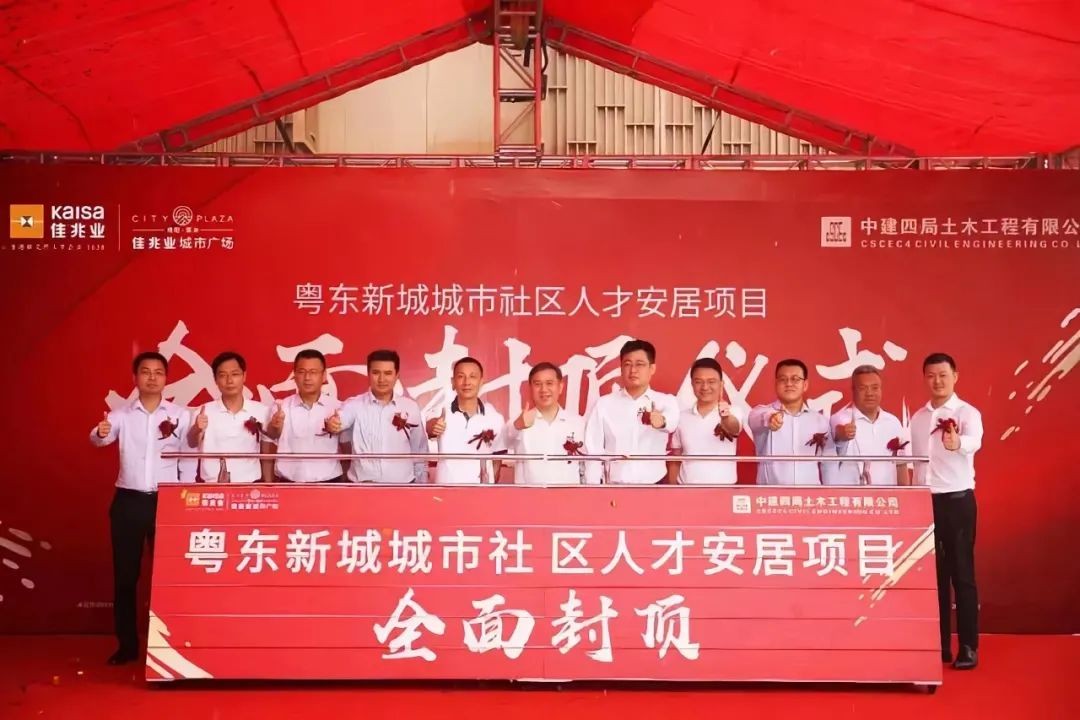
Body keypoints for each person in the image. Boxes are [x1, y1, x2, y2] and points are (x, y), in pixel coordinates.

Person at [89, 352, 190, 665]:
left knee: (170, 577)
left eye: (158, 372)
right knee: (125, 576)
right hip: (129, 502)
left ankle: (171, 646)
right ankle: (128, 645)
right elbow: (99, 438)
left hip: (167, 501)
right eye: (145, 372)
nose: (152, 378)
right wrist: (100, 433)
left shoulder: (181, 415)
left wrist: (183, 498)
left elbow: (189, 455)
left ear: (166, 378)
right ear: (135, 378)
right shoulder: (121, 414)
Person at [910, 352, 983, 670]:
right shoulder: (917, 418)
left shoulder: (967, 413)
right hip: (925, 503)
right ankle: (938, 643)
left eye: (943, 374)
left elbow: (974, 441)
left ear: (955, 376)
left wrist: (957, 443)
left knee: (962, 574)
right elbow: (912, 461)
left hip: (957, 501)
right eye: (931, 375)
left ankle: (968, 645)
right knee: (932, 577)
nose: (937, 381)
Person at [583, 339, 679, 484]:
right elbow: (593, 450)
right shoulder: (604, 404)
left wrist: (661, 421)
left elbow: (672, 422)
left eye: (640, 364)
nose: (633, 370)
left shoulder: (665, 401)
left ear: (652, 368)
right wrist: (593, 487)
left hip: (655, 484)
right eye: (627, 364)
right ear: (621, 368)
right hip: (614, 486)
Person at [327, 349, 428, 483]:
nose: (381, 379)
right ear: (368, 374)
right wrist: (333, 424)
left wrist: (421, 484)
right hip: (362, 487)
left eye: (388, 373)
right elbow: (340, 419)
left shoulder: (410, 407)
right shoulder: (354, 405)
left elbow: (419, 450)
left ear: (397, 375)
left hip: (403, 486)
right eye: (376, 373)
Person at [187, 351, 272, 483]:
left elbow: (267, 450)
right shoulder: (203, 411)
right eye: (223, 375)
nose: (229, 381)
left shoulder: (261, 410)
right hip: (212, 485)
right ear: (215, 379)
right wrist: (197, 429)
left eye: (235, 374)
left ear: (244, 376)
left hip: (250, 484)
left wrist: (268, 484)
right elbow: (191, 443)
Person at [263, 349, 344, 483]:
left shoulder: (337, 408)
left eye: (313, 372)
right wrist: (275, 426)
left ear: (324, 376)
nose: (307, 378)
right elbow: (271, 436)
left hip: (329, 483)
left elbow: (347, 447)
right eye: (302, 372)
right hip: (288, 483)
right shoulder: (281, 407)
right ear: (294, 375)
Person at [748, 358, 832, 485]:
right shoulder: (761, 413)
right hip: (770, 494)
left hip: (810, 494)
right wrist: (770, 419)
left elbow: (829, 462)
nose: (789, 383)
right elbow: (757, 419)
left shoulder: (819, 420)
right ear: (776, 384)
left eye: (795, 379)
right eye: (783, 379)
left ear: (805, 385)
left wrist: (830, 491)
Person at [426, 357, 506, 483]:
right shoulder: (440, 410)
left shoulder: (495, 417)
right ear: (453, 382)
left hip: (481, 490)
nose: (466, 382)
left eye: (472, 376)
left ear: (481, 382)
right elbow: (429, 427)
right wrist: (434, 426)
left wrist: (490, 485)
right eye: (461, 376)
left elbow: (497, 459)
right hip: (446, 488)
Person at [826, 365, 909, 486]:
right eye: (863, 388)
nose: (869, 393)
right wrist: (843, 433)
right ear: (853, 390)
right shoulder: (841, 418)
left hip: (888, 495)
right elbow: (838, 433)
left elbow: (901, 464)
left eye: (875, 388)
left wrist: (905, 493)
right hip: (851, 495)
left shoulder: (893, 422)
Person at [505, 362, 586, 485]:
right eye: (537, 384)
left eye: (549, 383)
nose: (543, 389)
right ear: (530, 388)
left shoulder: (577, 423)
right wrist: (517, 426)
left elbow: (588, 464)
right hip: (529, 494)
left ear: (560, 387)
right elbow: (503, 442)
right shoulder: (519, 422)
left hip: (569, 493)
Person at [667, 358, 744, 485]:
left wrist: (725, 418)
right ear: (692, 384)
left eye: (711, 381)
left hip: (724, 489)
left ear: (721, 384)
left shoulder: (733, 411)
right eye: (698, 382)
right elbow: (676, 457)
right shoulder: (681, 417)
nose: (705, 387)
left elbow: (734, 428)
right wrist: (672, 489)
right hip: (686, 489)